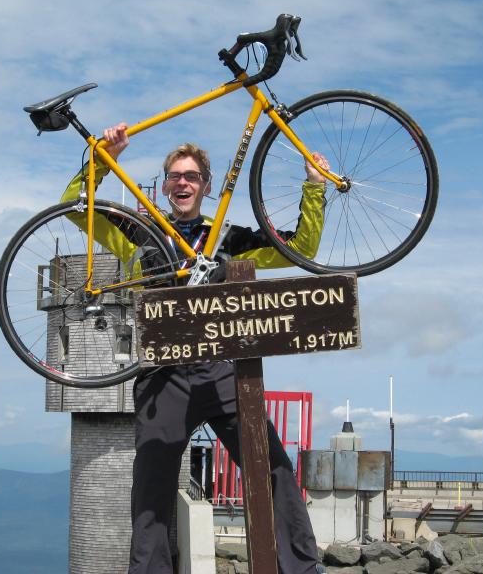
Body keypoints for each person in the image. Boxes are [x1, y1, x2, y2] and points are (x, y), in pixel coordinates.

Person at [62, 123, 330, 574]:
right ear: (165, 186)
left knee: (274, 469)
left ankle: (302, 569)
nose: (182, 182)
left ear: (206, 185)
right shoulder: (139, 232)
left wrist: (315, 187)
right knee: (150, 492)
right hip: (160, 375)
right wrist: (102, 159)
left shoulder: (230, 239)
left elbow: (301, 249)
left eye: (191, 176)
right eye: (174, 175)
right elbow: (75, 207)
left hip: (222, 372)